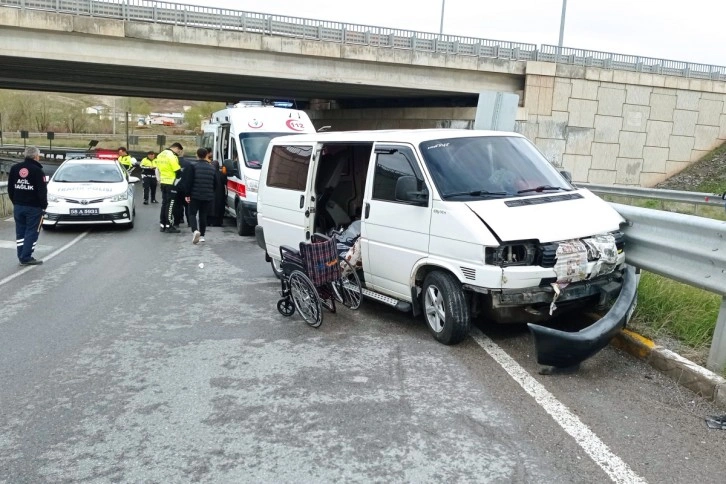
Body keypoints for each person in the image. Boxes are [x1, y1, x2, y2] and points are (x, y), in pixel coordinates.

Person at [8, 146, 48, 266]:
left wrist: (15, 202)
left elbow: (10, 189)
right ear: (36, 156)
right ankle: (26, 257)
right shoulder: (37, 171)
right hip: (33, 208)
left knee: (20, 232)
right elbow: (42, 192)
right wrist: (44, 206)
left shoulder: (15, 168)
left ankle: (21, 255)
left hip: (18, 206)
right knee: (32, 232)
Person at [181, 148, 217, 244]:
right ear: (206, 155)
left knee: (192, 213)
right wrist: (210, 192)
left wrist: (187, 194)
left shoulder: (192, 166)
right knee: (203, 215)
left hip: (195, 195)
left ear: (197, 155)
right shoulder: (212, 167)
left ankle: (195, 230)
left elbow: (188, 181)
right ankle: (202, 236)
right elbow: (215, 183)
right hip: (207, 195)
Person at [156, 142, 184, 233]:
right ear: (176, 148)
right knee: (170, 205)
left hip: (163, 182)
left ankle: (162, 224)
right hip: (171, 183)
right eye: (179, 151)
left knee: (164, 204)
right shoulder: (172, 155)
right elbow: (177, 170)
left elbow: (158, 169)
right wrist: (180, 177)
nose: (178, 153)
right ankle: (169, 225)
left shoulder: (160, 154)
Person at [206, 147, 226, 227]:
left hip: (209, 193)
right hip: (220, 194)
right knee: (219, 207)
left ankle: (208, 221)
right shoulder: (222, 174)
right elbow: (225, 182)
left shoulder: (209, 173)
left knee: (209, 207)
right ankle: (217, 222)